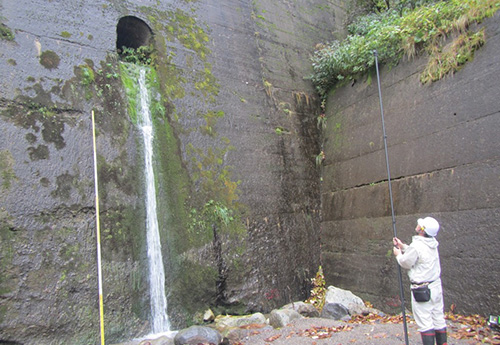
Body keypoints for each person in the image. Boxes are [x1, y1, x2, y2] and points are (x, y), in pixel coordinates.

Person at [393, 216, 448, 345]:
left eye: (420, 225)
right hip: (435, 287)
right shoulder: (432, 243)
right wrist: (403, 246)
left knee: (425, 322)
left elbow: (406, 262)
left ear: (422, 230)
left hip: (422, 290)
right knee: (438, 318)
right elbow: (418, 255)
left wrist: (398, 254)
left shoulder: (417, 245)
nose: (418, 225)